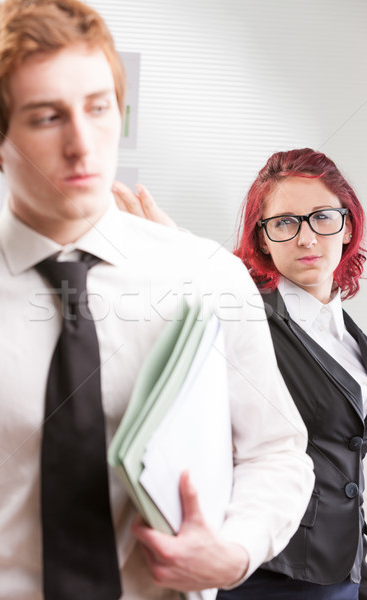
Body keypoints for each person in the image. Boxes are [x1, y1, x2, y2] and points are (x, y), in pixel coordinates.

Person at [0, 2, 315, 599]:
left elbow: (277, 452)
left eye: (100, 109)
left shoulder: (207, 277)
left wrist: (234, 551)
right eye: (48, 118)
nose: (83, 145)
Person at [113, 147, 367, 599]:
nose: (307, 238)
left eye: (323, 217)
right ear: (264, 239)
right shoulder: (244, 314)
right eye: (285, 222)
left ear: (347, 225)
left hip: (343, 566)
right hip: (273, 570)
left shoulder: (351, 337)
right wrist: (177, 257)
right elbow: (205, 295)